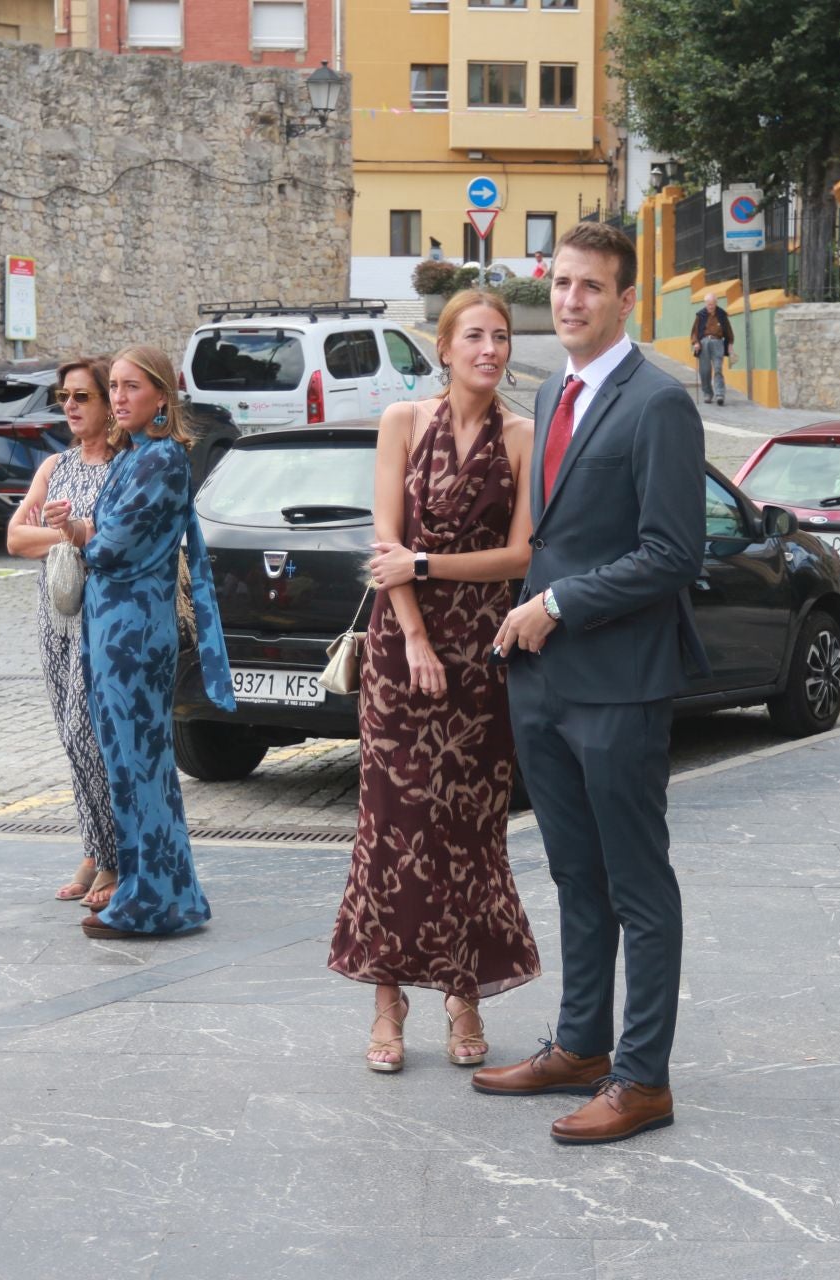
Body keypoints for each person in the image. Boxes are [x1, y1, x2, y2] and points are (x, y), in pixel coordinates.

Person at [477, 222, 708, 1145]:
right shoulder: (551, 389)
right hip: (544, 682)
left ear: (624, 300)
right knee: (575, 874)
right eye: (561, 282)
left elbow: (673, 555)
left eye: (589, 287)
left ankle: (643, 1078)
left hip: (620, 683)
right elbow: (554, 536)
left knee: (636, 885)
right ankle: (580, 1045)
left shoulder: (659, 404)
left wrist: (560, 604)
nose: (569, 299)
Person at [327, 289, 541, 1073]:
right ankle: (387, 1000)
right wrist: (414, 632)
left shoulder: (523, 437)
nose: (491, 349)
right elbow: (385, 543)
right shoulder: (402, 424)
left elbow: (522, 557)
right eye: (475, 336)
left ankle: (465, 992)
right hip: (401, 648)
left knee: (471, 831)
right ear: (445, 347)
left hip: (486, 650)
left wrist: (426, 563)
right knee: (390, 827)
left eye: (502, 337)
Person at [46, 345, 234, 940]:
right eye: (117, 387)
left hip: (134, 633)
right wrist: (82, 530)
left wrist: (81, 533)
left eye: (131, 387)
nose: (119, 398)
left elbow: (110, 545)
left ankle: (153, 900)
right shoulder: (138, 456)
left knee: (138, 768)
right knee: (128, 766)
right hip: (112, 626)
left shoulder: (160, 461)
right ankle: (161, 893)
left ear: (161, 396)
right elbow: (100, 536)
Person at [7, 356, 120, 910]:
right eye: (65, 397)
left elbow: (117, 536)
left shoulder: (125, 467)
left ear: (107, 404)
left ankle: (116, 855)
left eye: (82, 397)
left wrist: (73, 531)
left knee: (89, 734)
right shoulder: (55, 466)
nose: (71, 407)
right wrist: (69, 538)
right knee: (70, 738)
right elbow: (13, 538)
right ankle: (94, 848)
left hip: (103, 615)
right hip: (57, 615)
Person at [689, 291, 734, 405]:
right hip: (704, 343)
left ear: (716, 303)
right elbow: (694, 332)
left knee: (718, 368)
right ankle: (708, 393)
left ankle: (720, 394)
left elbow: (728, 330)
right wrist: (696, 343)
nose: (710, 306)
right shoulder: (701, 315)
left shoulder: (722, 315)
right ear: (705, 304)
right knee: (705, 370)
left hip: (717, 342)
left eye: (712, 304)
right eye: (708, 304)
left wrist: (730, 344)